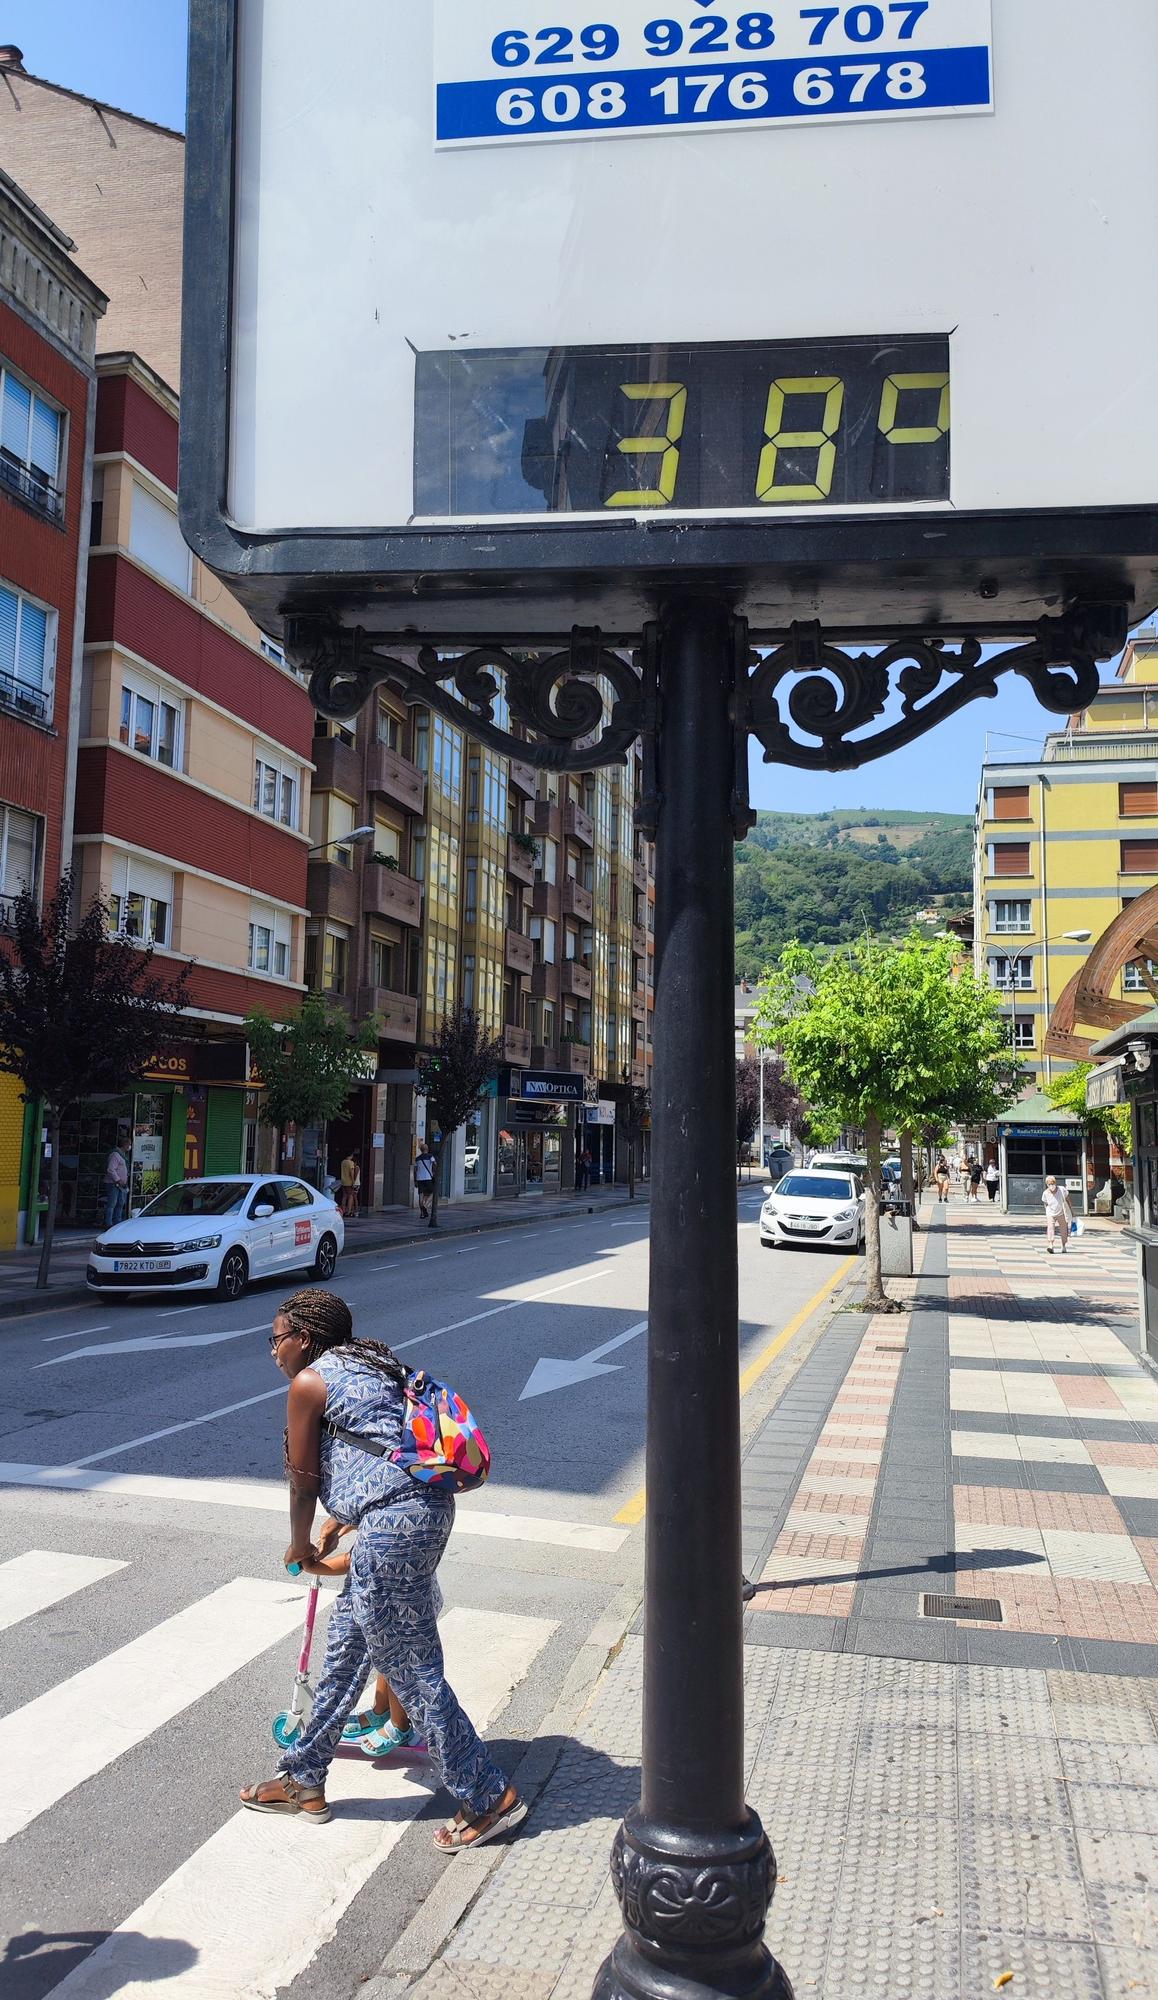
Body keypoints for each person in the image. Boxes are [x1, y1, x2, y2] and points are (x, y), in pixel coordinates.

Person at [240, 1288, 526, 1845]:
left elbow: (303, 1480)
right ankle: (303, 1776)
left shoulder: (310, 1382)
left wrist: (300, 1543)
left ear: (303, 1337)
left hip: (392, 1528)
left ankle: (487, 1794)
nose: (273, 1351)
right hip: (417, 1514)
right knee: (347, 1653)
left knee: (409, 1666)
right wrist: (346, 1519)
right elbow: (386, 1452)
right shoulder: (375, 1365)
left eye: (276, 1339)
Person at [1041, 1175, 1074, 1254]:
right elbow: (1045, 1203)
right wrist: (1047, 1211)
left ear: (1055, 1183)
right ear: (1047, 1185)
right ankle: (1050, 1245)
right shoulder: (1045, 1193)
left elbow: (1068, 1199)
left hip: (1061, 1212)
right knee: (1050, 1228)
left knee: (1064, 1229)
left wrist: (1071, 1211)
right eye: (1049, 1184)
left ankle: (1063, 1245)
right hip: (1051, 1213)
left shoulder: (1062, 1189)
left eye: (1052, 1183)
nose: (1051, 1185)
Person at [103, 1146, 129, 1230]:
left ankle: (117, 1222)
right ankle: (108, 1223)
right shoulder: (115, 1155)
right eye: (129, 1144)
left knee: (120, 1203)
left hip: (121, 1185)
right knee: (112, 1204)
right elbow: (111, 1169)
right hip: (114, 1183)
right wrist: (118, 1180)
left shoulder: (123, 1155)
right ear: (126, 1144)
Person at [413, 1140, 435, 1219]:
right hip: (428, 1178)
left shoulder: (417, 1159)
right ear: (427, 1149)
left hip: (419, 1179)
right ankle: (425, 1206)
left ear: (421, 1150)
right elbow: (435, 1165)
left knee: (421, 1195)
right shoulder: (430, 1156)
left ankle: (422, 1213)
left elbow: (415, 1170)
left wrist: (415, 1180)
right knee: (433, 1193)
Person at [339, 1151, 360, 1221]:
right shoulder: (350, 1163)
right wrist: (353, 1181)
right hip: (349, 1182)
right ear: (350, 1155)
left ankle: (343, 1210)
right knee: (350, 1196)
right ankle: (349, 1211)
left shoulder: (343, 1162)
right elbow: (351, 1172)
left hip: (343, 1181)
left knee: (344, 1196)